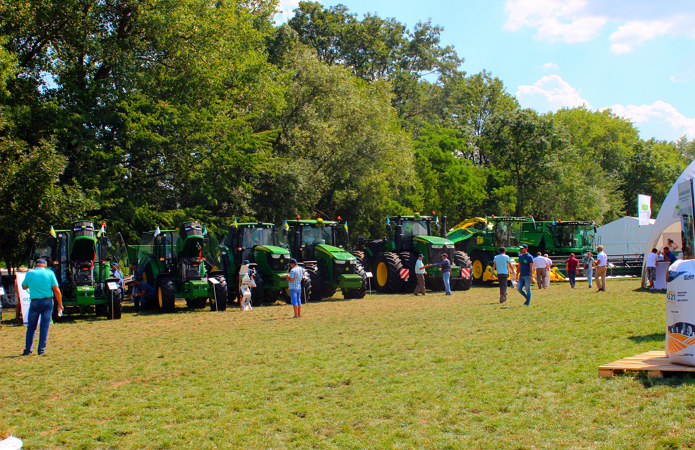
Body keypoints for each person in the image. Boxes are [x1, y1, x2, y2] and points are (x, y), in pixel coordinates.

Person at [22, 259, 63, 356]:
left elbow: (24, 286)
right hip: (47, 301)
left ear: (35, 265)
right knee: (44, 326)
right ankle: (41, 350)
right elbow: (56, 289)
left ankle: (28, 350)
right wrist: (60, 304)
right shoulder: (50, 273)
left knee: (31, 327)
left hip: (35, 302)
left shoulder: (30, 273)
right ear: (45, 265)